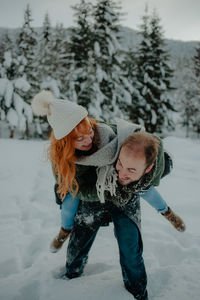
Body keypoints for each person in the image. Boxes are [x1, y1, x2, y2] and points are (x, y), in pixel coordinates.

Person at [31, 90, 185, 300]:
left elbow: (146, 144)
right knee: (78, 237)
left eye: (89, 132)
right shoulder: (61, 160)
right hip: (89, 198)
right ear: (65, 141)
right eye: (80, 139)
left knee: (130, 247)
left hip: (123, 193)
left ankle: (138, 291)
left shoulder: (108, 134)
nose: (88, 139)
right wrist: (102, 191)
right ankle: (69, 258)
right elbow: (72, 190)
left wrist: (152, 168)